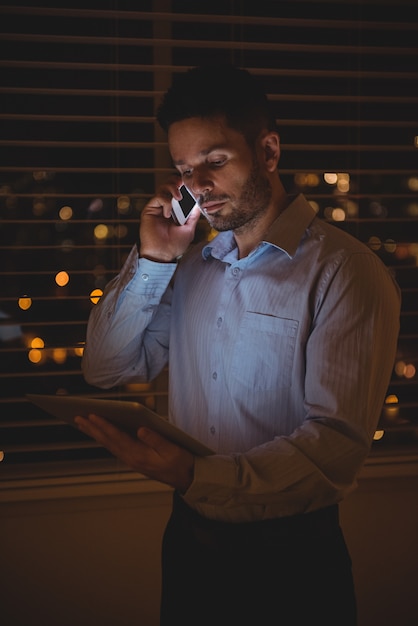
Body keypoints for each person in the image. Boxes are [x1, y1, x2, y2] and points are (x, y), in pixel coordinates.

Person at [79, 65, 401, 626]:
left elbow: (336, 449)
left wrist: (195, 476)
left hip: (291, 560)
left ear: (269, 151)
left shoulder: (347, 271)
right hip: (187, 542)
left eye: (216, 161)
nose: (197, 185)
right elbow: (106, 369)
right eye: (184, 169)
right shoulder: (192, 268)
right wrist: (154, 260)